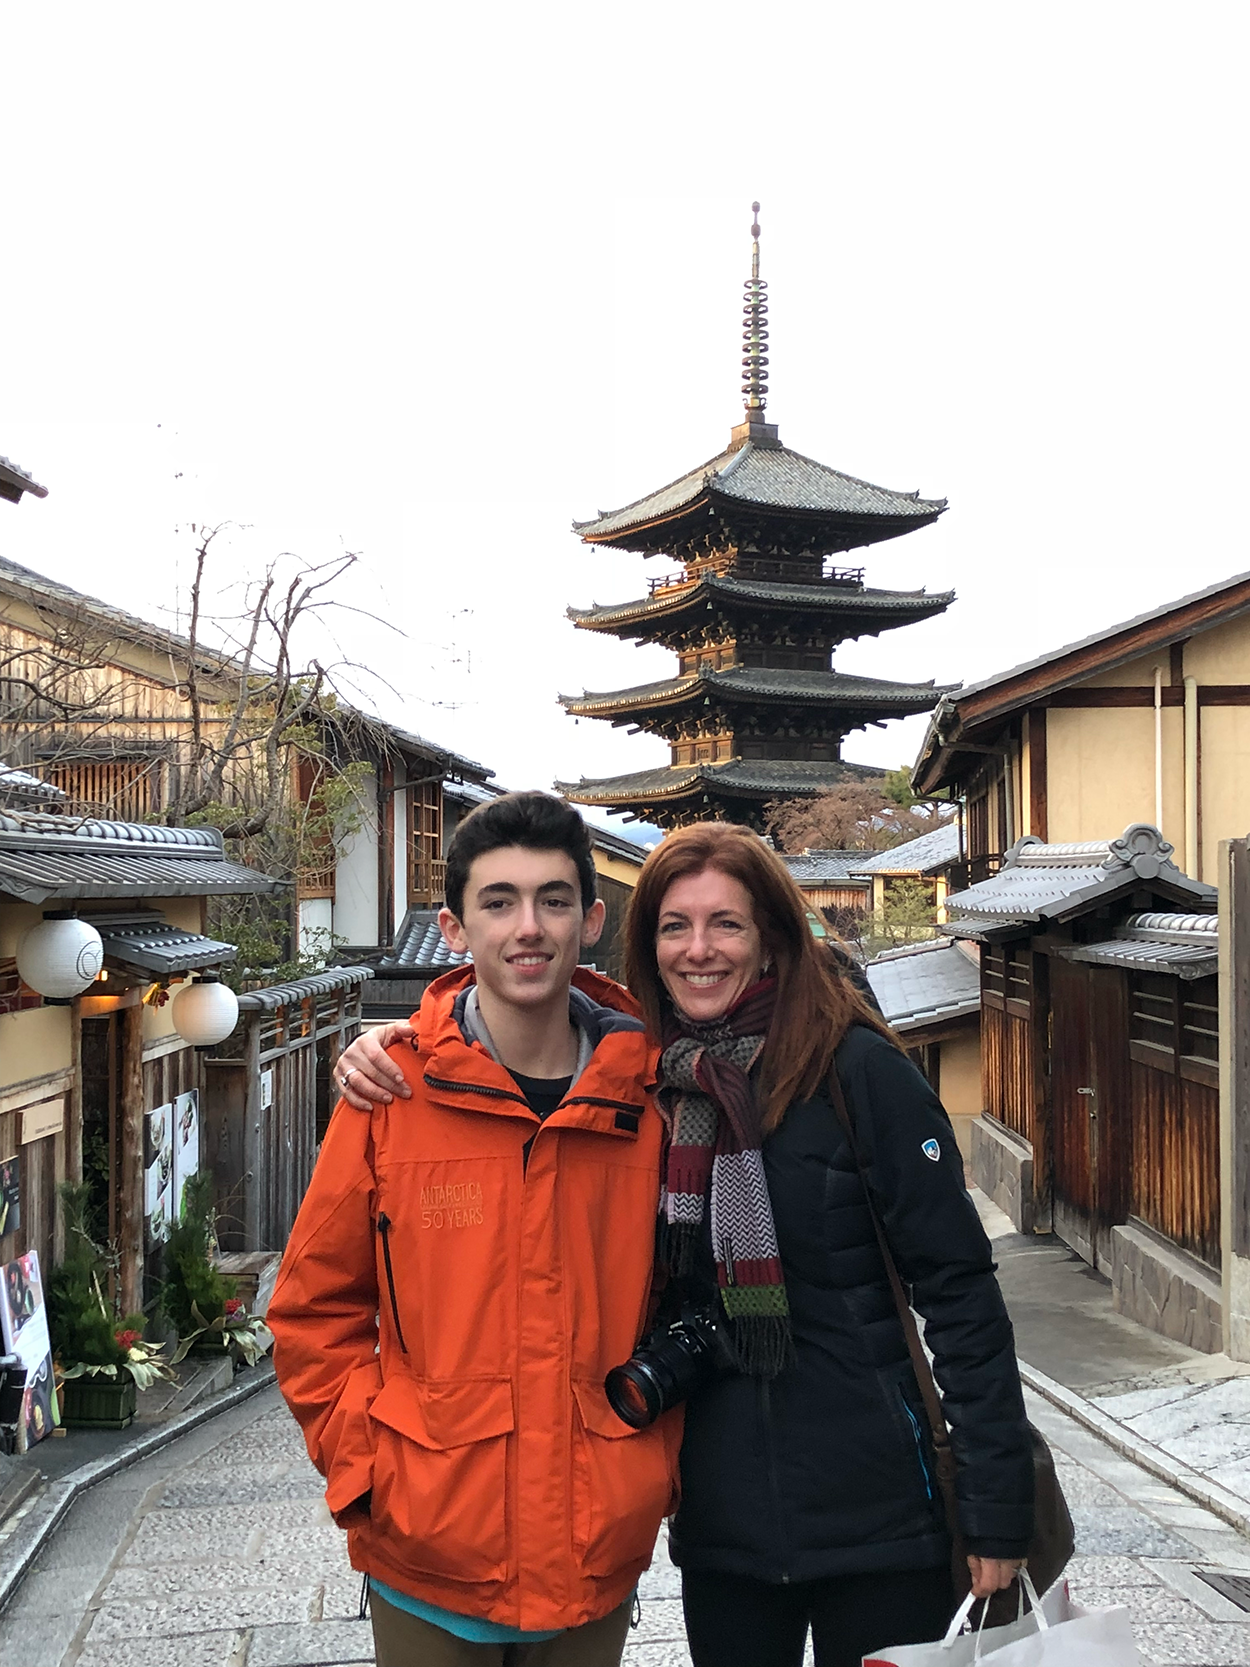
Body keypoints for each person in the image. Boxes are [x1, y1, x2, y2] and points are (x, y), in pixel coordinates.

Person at [338, 821, 1035, 1667]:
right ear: (646, 942)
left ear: (772, 934)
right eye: (675, 926)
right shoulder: (647, 1084)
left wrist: (999, 1506)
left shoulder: (857, 1072)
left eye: (726, 924)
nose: (698, 950)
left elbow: (959, 1291)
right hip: (724, 1525)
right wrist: (387, 1042)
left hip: (881, 1519)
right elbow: (517, 1043)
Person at [268, 792, 682, 1667]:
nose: (527, 927)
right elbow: (312, 1309)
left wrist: (650, 1466)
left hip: (593, 1539)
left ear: (592, 918)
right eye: (499, 901)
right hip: (427, 1546)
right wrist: (370, 1468)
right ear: (454, 927)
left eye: (553, 899)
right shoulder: (392, 1095)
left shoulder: (648, 1101)